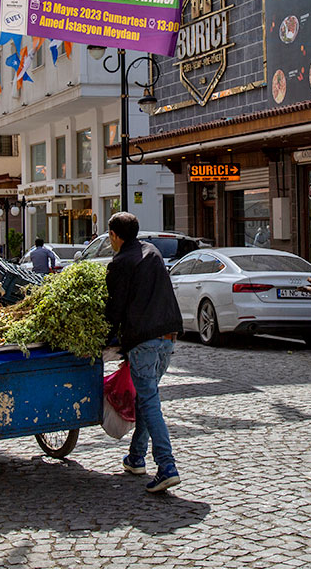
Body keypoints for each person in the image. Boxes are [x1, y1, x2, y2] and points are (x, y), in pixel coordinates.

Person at [105, 211, 184, 493]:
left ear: (114, 236)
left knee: (149, 402)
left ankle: (167, 466)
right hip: (168, 336)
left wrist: (104, 338)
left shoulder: (120, 264)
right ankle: (136, 457)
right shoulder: (152, 252)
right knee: (146, 399)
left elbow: (114, 310)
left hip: (144, 340)